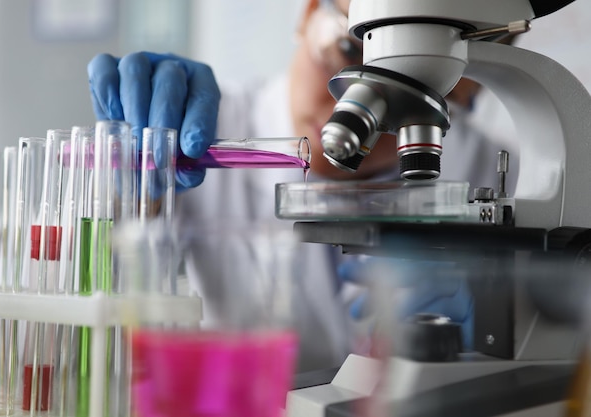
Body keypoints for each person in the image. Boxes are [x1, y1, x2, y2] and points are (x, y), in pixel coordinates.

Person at [88, 0, 510, 371]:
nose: (348, 108)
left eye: (416, 95)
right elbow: (80, 288)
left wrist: (510, 313)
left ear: (466, 90)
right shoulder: (200, 132)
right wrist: (125, 187)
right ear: (309, 13)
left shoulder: (494, 169)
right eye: (346, 49)